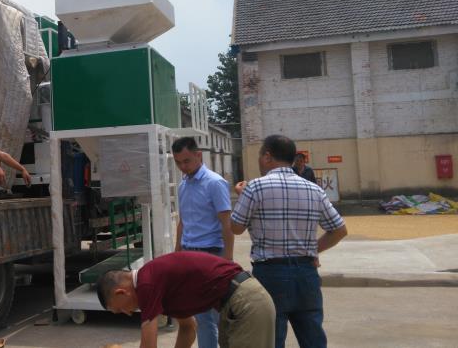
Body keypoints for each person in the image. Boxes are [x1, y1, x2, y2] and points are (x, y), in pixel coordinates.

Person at [231, 135, 348, 348]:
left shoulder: (254, 188)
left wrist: (243, 197)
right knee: (313, 339)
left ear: (267, 156)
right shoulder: (314, 190)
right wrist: (312, 250)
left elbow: (236, 228)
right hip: (306, 273)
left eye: (260, 156)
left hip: (270, 274)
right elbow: (339, 230)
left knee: (272, 339)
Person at [96, 251, 275, 348]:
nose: (127, 313)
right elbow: (188, 328)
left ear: (121, 292)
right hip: (236, 303)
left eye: (119, 309)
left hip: (246, 302)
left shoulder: (146, 284)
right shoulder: (156, 287)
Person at [171, 136, 234, 348]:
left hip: (211, 255)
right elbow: (183, 222)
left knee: (218, 315)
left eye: (186, 161)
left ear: (198, 155)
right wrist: (177, 253)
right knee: (201, 316)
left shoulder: (215, 183)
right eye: (178, 162)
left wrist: (228, 260)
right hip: (189, 256)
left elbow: (226, 223)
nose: (183, 166)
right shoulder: (183, 185)